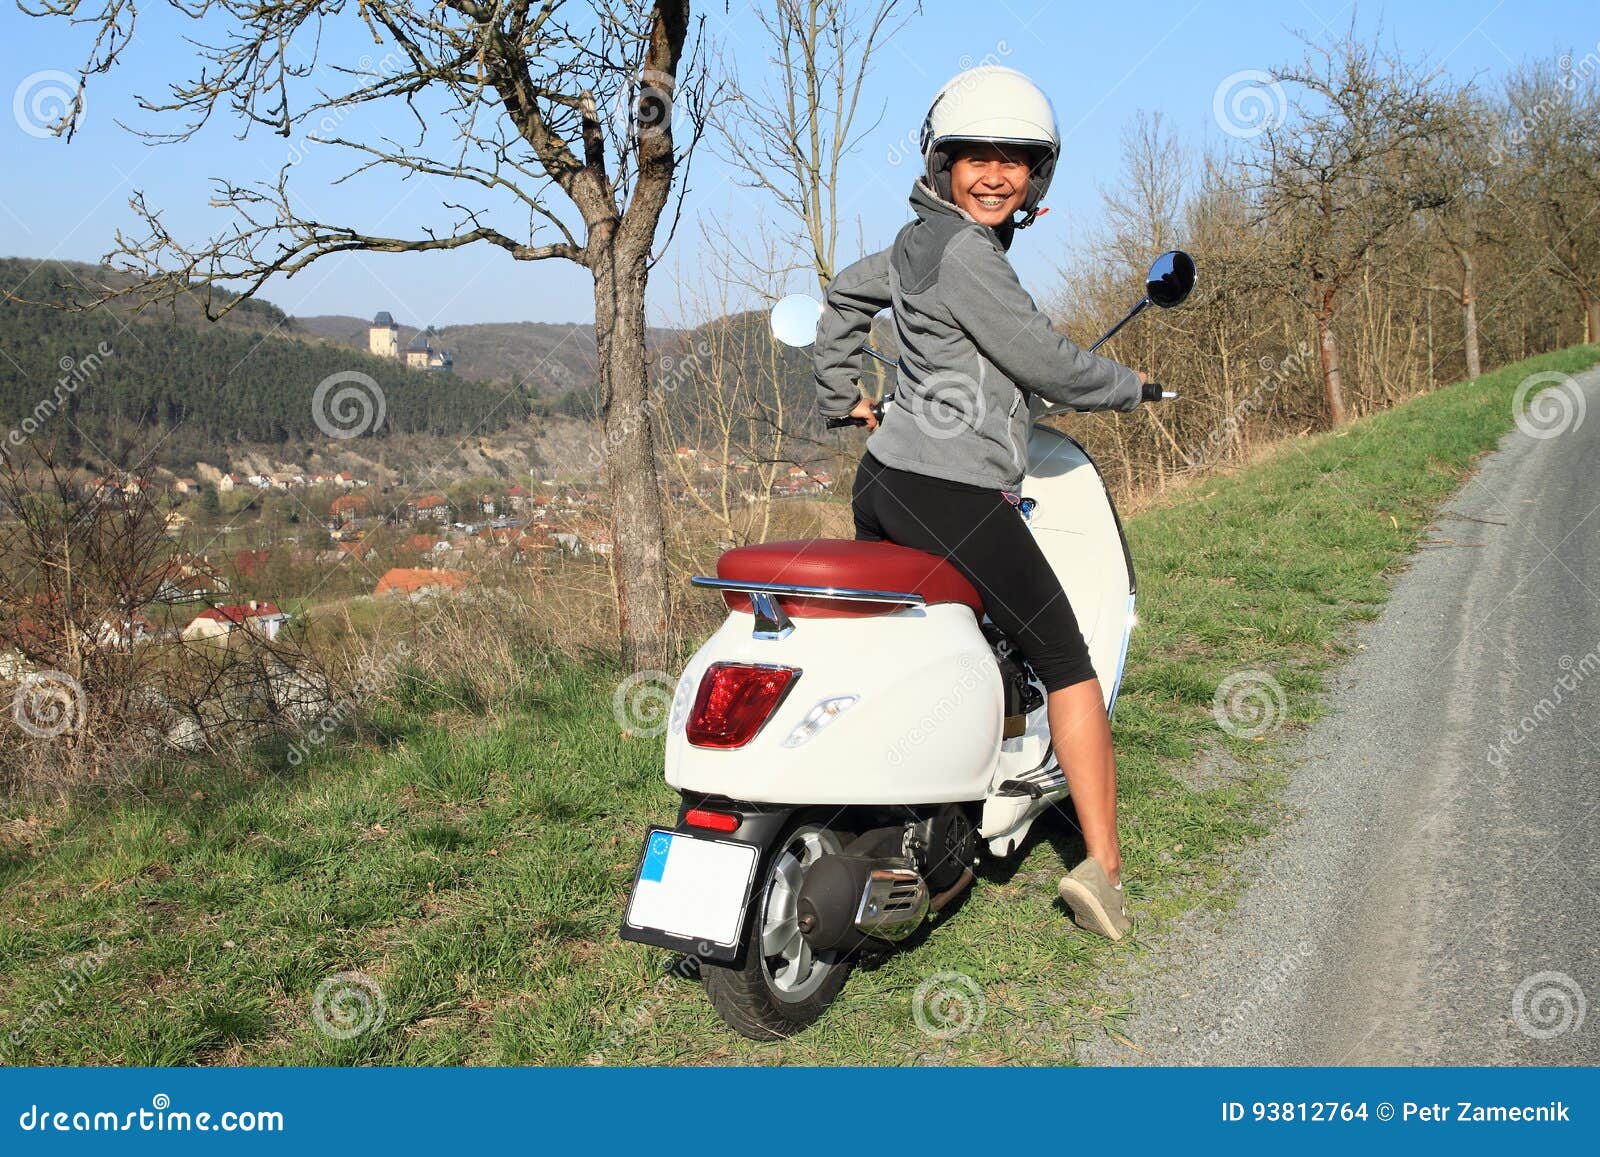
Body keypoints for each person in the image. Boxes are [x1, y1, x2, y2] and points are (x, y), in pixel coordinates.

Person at [812, 66, 1154, 941]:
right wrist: (1133, 388)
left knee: (936, 645)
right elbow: (1045, 361)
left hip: (885, 478)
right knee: (1067, 658)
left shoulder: (916, 243)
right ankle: (1105, 871)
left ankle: (920, 818)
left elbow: (847, 295)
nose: (996, 174)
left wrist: (842, 391)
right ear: (944, 162)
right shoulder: (968, 255)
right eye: (977, 158)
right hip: (950, 489)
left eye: (1016, 159)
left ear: (1035, 174)